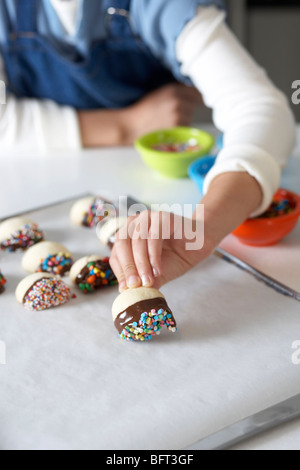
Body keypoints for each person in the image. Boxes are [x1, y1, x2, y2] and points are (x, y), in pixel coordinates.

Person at [0, 0, 296, 290]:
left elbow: (260, 108)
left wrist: (203, 227)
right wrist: (127, 125)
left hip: (157, 183)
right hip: (35, 179)